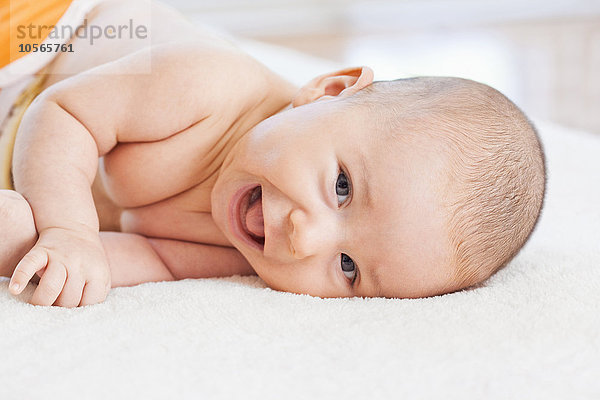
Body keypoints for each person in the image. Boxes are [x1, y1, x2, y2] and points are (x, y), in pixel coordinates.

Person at [0, 0, 545, 307]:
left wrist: (62, 255)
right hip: (53, 37)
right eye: (342, 187)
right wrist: (70, 229)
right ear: (329, 92)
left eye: (349, 268)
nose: (305, 238)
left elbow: (153, 258)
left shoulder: (255, 253)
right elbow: (62, 115)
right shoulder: (207, 86)